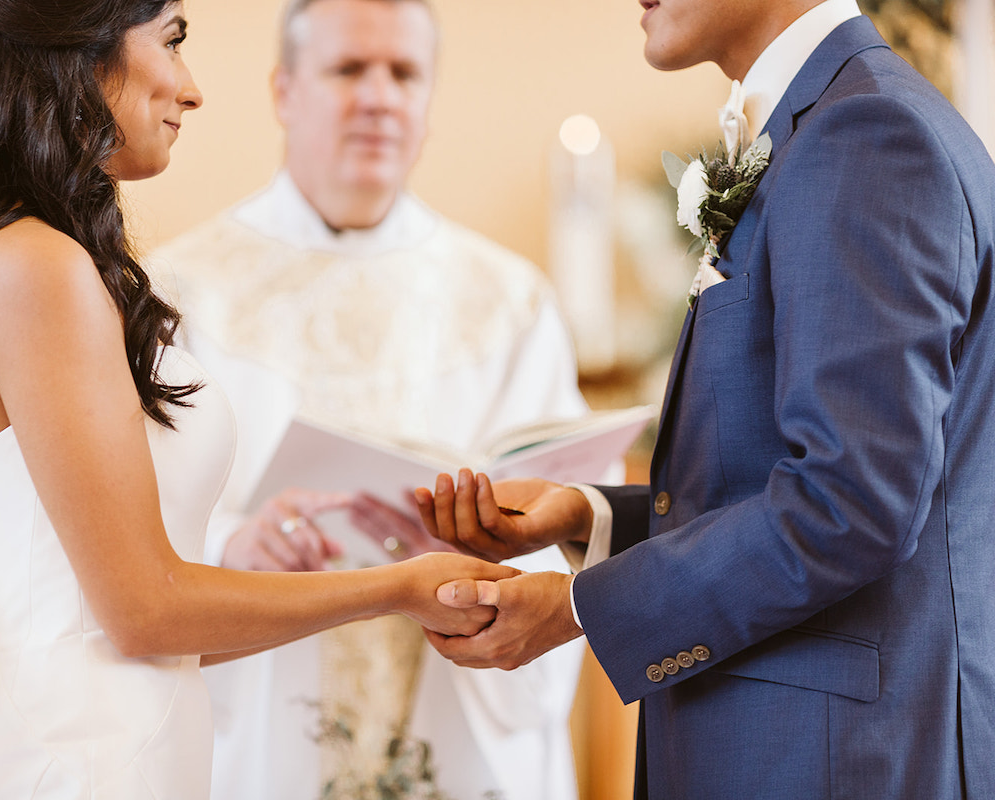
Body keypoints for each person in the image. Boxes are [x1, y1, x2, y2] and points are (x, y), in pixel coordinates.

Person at [0, 1, 518, 798]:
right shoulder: (36, 269)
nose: (191, 88)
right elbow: (144, 612)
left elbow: (121, 618)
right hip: (74, 760)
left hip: (97, 732)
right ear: (78, 46)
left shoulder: (4, 254)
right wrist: (396, 587)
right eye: (172, 41)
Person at [415, 0, 995, 797]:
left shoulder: (867, 137)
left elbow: (852, 503)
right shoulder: (823, 124)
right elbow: (787, 477)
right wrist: (595, 517)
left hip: (838, 760)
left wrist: (578, 608)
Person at [147, 0, 591, 797]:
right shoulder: (180, 292)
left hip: (455, 708)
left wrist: (493, 531)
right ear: (284, 91)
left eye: (405, 73)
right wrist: (235, 546)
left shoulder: (508, 300)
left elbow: (558, 506)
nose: (380, 95)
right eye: (349, 69)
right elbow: (126, 529)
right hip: (264, 709)